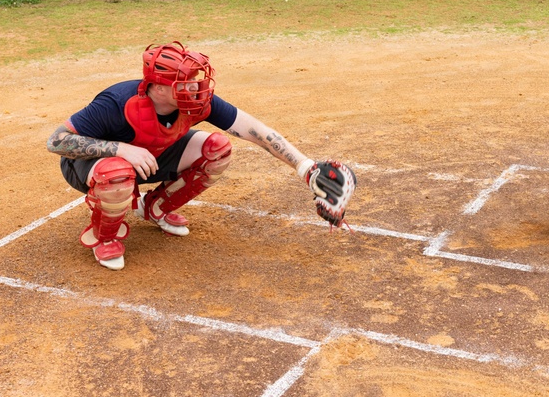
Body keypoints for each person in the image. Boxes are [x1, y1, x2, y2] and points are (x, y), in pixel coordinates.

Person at [46, 41, 354, 271]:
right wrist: (119, 148)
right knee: (116, 173)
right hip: (94, 166)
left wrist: (304, 166)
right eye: (187, 80)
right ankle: (104, 236)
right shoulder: (117, 101)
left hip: (153, 158)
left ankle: (155, 208)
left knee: (217, 149)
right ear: (159, 87)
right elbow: (57, 141)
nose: (197, 85)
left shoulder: (195, 101)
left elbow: (253, 129)